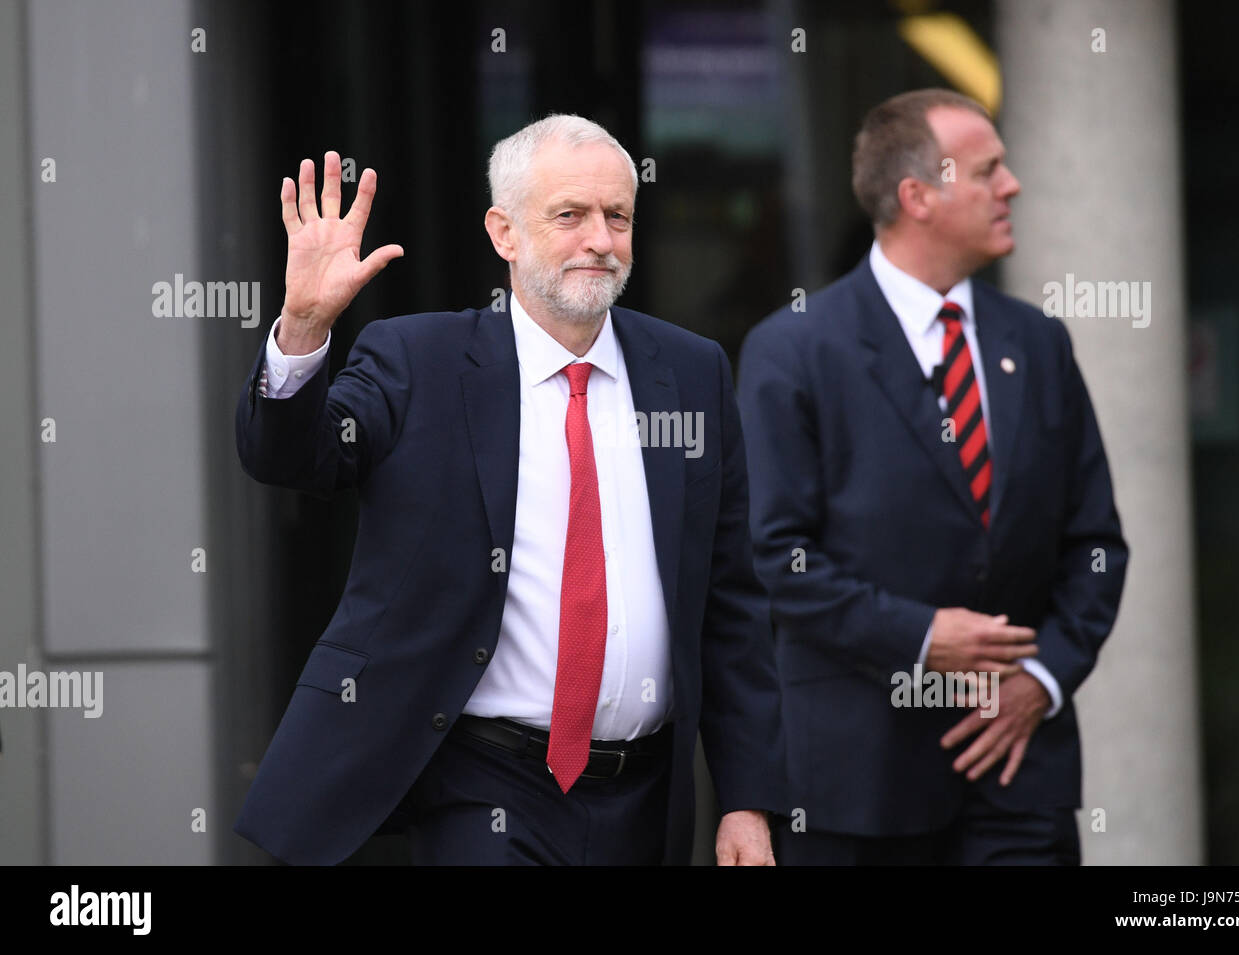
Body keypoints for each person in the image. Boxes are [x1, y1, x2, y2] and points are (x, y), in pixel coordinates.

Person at [233, 115, 785, 865]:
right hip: (483, 783)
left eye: (616, 216)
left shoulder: (690, 372)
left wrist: (746, 800)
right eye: (570, 215)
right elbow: (291, 459)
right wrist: (301, 327)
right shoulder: (419, 359)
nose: (599, 238)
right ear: (505, 232)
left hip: (646, 795)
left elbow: (731, 604)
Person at [737, 89, 1128, 864]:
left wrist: (1041, 679)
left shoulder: (1039, 342)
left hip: (1020, 773)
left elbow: (1096, 545)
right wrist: (918, 636)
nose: (1011, 185)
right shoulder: (795, 349)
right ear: (917, 196)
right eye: (988, 171)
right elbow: (774, 557)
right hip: (861, 786)